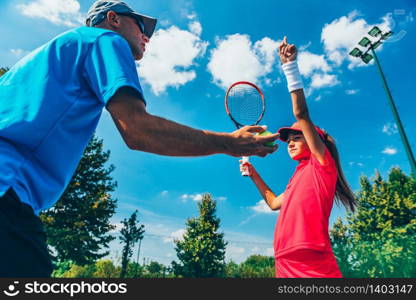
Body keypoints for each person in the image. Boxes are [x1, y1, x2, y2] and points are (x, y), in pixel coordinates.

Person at [0, 0, 279, 277]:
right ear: (113, 19)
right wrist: (229, 143)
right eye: (141, 25)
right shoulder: (106, 40)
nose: (147, 36)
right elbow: (136, 129)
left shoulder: (47, 57)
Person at [240, 37, 356, 278]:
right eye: (288, 140)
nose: (290, 142)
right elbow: (273, 203)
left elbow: (301, 113)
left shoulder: (322, 165)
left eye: (297, 137)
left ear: (316, 141)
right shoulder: (297, 178)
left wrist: (289, 66)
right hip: (283, 260)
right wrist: (253, 174)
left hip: (312, 259)